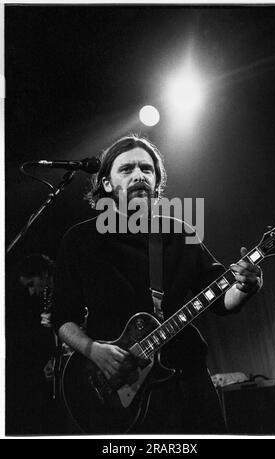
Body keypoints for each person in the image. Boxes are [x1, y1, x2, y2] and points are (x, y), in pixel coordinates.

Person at [53, 134, 262, 434]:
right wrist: (92, 350)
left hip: (185, 379)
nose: (139, 175)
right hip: (116, 383)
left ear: (156, 182)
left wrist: (244, 286)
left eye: (146, 169)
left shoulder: (179, 232)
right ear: (107, 184)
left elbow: (221, 300)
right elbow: (63, 317)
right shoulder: (80, 240)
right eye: (127, 169)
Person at [6, 254, 60, 435]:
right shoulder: (47, 298)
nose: (31, 292)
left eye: (31, 284)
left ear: (44, 274)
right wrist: (52, 361)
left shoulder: (67, 288)